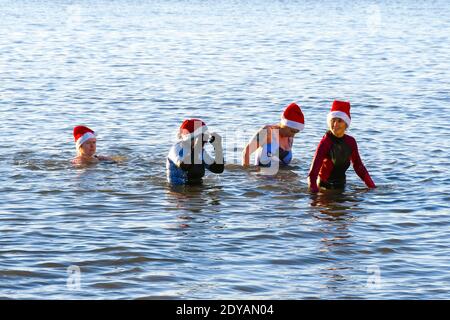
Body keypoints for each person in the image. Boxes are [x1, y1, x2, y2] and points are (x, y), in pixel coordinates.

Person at [307, 100, 376, 193]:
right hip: (324, 188)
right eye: (333, 120)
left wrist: (372, 187)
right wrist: (314, 198)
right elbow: (312, 174)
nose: (335, 124)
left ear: (346, 124)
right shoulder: (325, 142)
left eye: (339, 121)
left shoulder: (351, 142)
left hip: (342, 186)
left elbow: (358, 166)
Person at [241, 102, 305, 169]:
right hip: (263, 178)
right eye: (292, 131)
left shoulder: (289, 138)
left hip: (283, 178)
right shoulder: (267, 132)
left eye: (296, 132)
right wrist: (247, 173)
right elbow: (246, 152)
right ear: (284, 124)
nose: (293, 135)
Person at [166, 119, 224, 185]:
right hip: (178, 191)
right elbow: (183, 166)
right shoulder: (177, 148)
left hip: (196, 191)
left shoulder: (200, 151)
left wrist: (218, 147)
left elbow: (218, 169)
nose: (205, 141)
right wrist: (198, 146)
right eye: (203, 138)